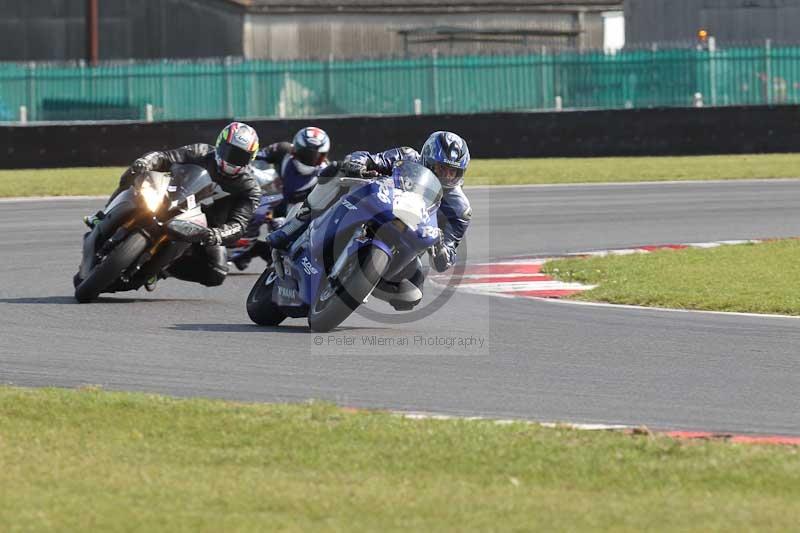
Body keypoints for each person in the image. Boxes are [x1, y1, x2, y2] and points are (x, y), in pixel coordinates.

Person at [267, 130, 471, 310]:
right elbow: (373, 159)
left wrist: (442, 249)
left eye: (452, 172)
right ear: (427, 159)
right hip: (377, 204)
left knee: (413, 291)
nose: (446, 176)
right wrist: (360, 162)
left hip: (407, 235)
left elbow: (446, 258)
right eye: (441, 168)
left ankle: (363, 280)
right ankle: (295, 225)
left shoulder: (460, 209)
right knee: (335, 174)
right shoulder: (407, 156)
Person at [85, 121, 262, 290]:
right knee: (136, 170)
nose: (231, 160)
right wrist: (147, 162)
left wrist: (217, 234)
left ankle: (163, 269)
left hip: (204, 228)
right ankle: (103, 214)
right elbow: (164, 157)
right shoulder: (200, 151)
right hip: (173, 199)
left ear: (250, 159)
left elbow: (239, 224)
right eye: (229, 151)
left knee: (217, 272)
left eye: (239, 156)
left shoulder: (249, 189)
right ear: (220, 144)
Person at [232, 126, 332, 270]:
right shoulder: (282, 150)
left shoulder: (326, 174)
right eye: (306, 154)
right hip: (270, 197)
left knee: (284, 233)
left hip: (297, 213)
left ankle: (279, 259)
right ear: (295, 150)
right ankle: (242, 247)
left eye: (317, 156)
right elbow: (252, 155)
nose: (311, 160)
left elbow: (321, 209)